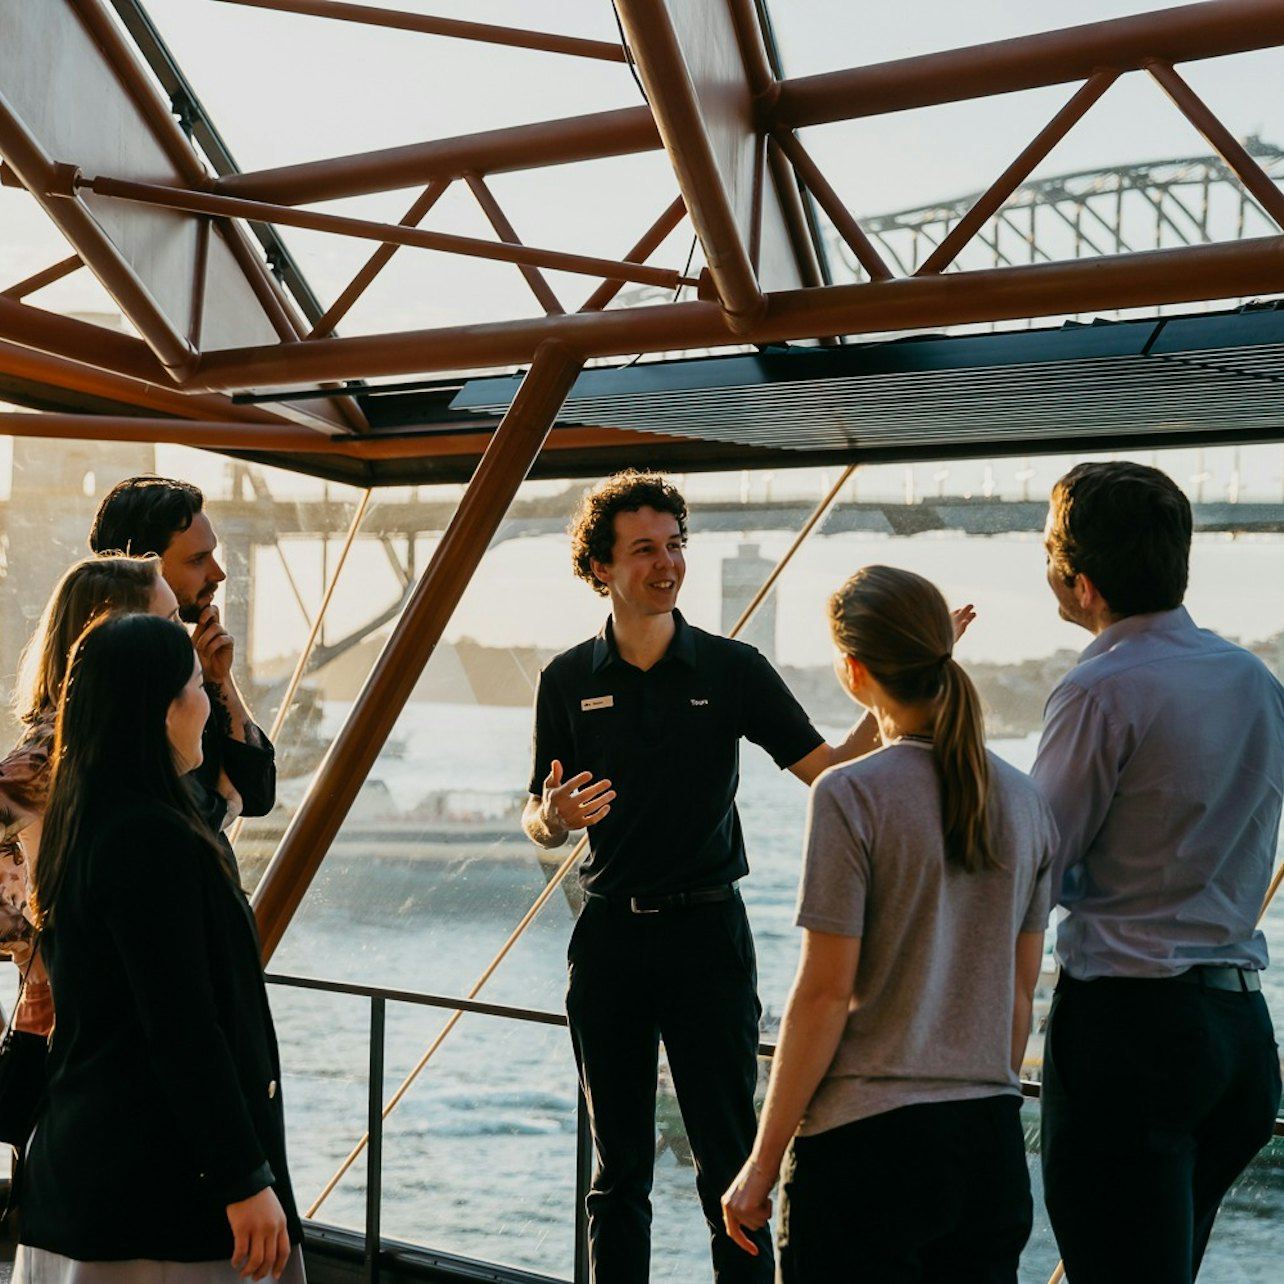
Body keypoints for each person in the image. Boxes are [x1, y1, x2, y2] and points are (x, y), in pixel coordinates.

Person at [522, 471, 974, 1282]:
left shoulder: (732, 670)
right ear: (600, 569)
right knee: (616, 1175)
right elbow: (536, 819)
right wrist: (554, 816)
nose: (667, 565)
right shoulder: (567, 680)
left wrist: (919, 677)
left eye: (675, 546)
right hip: (610, 940)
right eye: (643, 550)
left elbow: (830, 769)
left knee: (730, 1167)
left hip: (708, 940)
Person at [721, 565, 1055, 1283]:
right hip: (989, 1152)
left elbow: (823, 996)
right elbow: (1020, 998)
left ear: (852, 669)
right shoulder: (1027, 803)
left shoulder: (851, 794)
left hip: (865, 1154)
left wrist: (762, 1161)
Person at [1030, 461, 1283, 1282]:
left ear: (1082, 582)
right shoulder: (1254, 681)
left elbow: (1040, 863)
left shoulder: (1099, 689)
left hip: (1131, 1038)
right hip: (1241, 1043)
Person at [16, 613, 303, 1283]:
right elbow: (180, 1023)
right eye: (199, 686)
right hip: (157, 1199)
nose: (208, 703)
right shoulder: (154, 838)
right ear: (163, 708)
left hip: (84, 1180)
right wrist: (242, 1178)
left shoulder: (85, 824)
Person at [0, 553, 178, 1036]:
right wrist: (27, 948)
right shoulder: (53, 745)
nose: (180, 638)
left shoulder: (101, 737)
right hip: (80, 1005)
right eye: (168, 621)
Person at [88, 475, 276, 867]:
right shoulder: (107, 691)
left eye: (213, 554)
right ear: (141, 570)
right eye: (196, 560)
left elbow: (258, 793)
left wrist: (218, 679)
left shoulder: (188, 671)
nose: (218, 573)